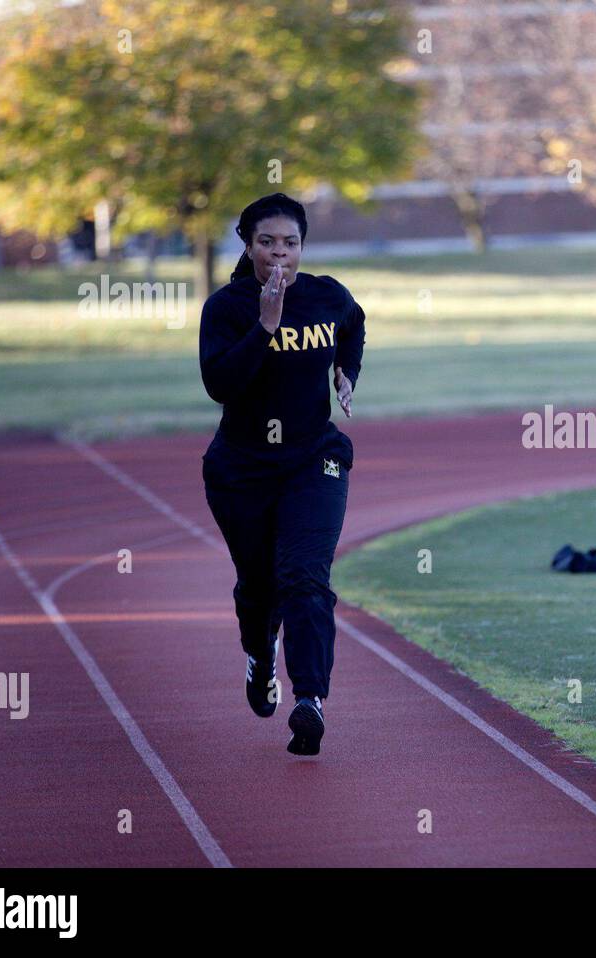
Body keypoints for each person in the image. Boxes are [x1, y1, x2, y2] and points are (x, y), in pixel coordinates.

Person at [199, 192, 365, 756]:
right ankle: (258, 653)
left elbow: (353, 323)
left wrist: (346, 372)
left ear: (302, 247)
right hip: (241, 469)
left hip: (312, 459)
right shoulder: (227, 308)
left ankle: (310, 700)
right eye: (267, 243)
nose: (279, 254)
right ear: (248, 246)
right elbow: (220, 384)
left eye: (289, 243)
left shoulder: (325, 294)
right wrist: (265, 326)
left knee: (304, 577)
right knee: (260, 585)